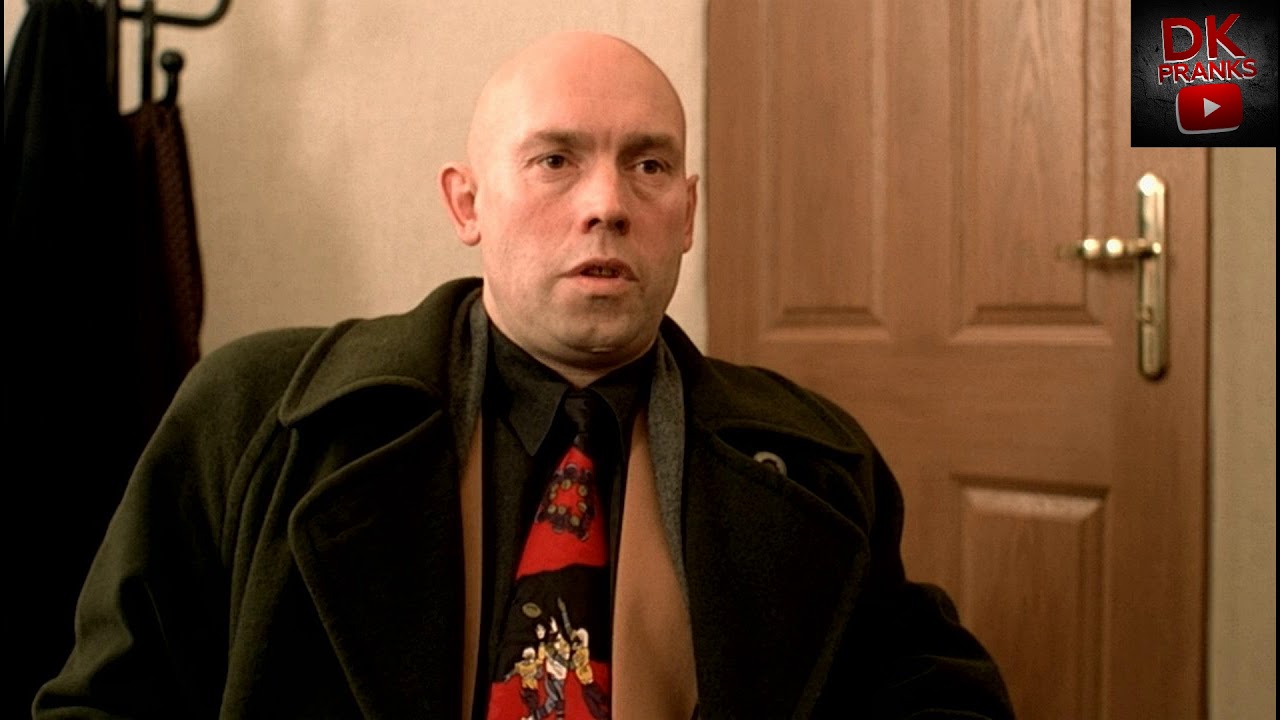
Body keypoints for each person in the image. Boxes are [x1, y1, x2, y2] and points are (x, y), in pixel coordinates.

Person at [33, 31, 1013, 719]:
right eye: (554, 161)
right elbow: (106, 701)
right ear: (467, 203)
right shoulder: (254, 420)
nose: (606, 204)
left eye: (648, 166)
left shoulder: (817, 464)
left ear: (686, 214)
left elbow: (934, 693)